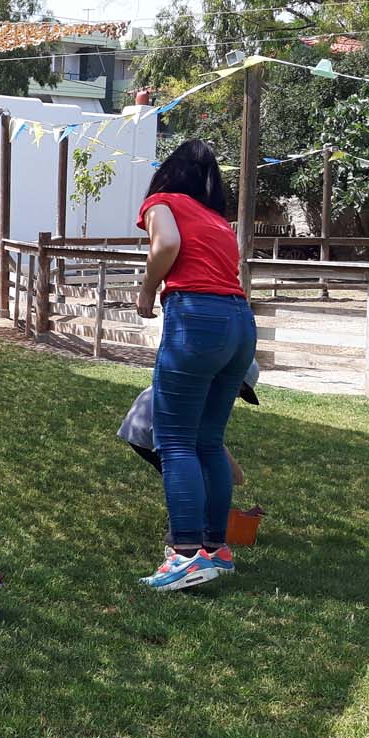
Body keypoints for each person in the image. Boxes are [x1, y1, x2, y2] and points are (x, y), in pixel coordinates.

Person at [134, 139, 258, 592]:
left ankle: (185, 555)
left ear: (167, 173)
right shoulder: (217, 220)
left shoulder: (162, 202)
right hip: (240, 323)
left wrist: (148, 289)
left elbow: (167, 243)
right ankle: (216, 548)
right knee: (208, 440)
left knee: (175, 441)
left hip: (196, 319)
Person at [119, 361, 259, 552]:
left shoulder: (200, 378)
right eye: (239, 390)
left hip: (140, 425)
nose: (237, 396)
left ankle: (189, 530)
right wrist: (232, 471)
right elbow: (209, 442)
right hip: (150, 429)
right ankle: (180, 543)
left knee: (191, 479)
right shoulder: (205, 391)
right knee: (190, 482)